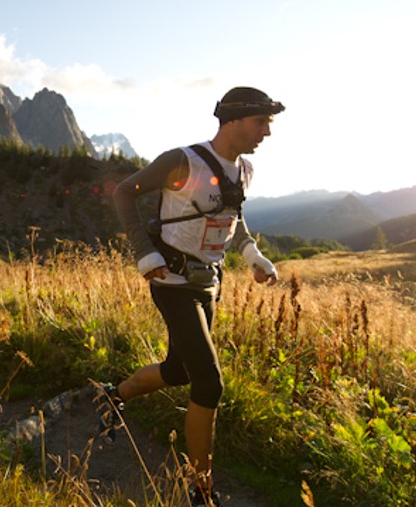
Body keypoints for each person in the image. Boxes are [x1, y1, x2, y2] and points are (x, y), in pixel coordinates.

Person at [105, 86, 284, 507]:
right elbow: (122, 192)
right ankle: (200, 491)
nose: (267, 133)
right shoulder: (182, 160)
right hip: (171, 281)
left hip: (209, 283)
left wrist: (252, 255)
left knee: (179, 369)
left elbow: (232, 217)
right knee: (209, 382)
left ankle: (113, 396)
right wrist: (144, 252)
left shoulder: (245, 170)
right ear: (235, 120)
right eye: (262, 122)